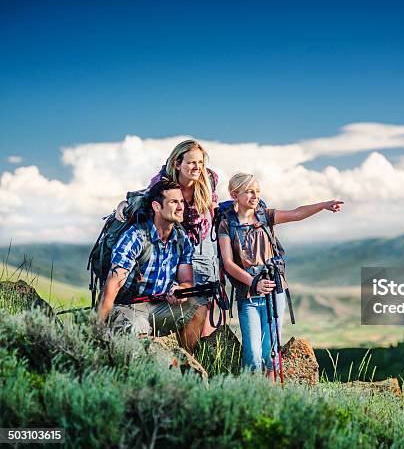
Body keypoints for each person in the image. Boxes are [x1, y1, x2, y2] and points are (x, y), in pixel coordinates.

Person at [218, 172, 343, 379]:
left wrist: (323, 205)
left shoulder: (265, 216)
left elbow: (296, 213)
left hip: (275, 292)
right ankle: (252, 397)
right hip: (247, 295)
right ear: (234, 194)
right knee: (253, 355)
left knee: (270, 352)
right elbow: (229, 264)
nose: (254, 195)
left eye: (257, 191)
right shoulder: (226, 224)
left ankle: (271, 397)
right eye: (249, 191)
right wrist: (254, 282)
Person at [116, 139, 220, 335]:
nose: (197, 167)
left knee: (206, 293)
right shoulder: (162, 181)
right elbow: (148, 199)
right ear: (177, 163)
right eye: (191, 162)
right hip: (173, 242)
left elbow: (212, 209)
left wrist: (223, 244)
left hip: (199, 239)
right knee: (175, 292)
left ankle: (201, 350)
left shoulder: (209, 179)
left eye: (200, 162)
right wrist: (123, 205)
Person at [98, 179, 209, 351]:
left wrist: (181, 290)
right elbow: (111, 288)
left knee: (199, 305)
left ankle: (186, 362)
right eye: (174, 202)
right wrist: (96, 329)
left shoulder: (182, 240)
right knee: (137, 328)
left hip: (159, 306)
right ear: (157, 206)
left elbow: (187, 282)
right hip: (127, 307)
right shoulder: (135, 237)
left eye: (181, 202)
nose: (181, 207)